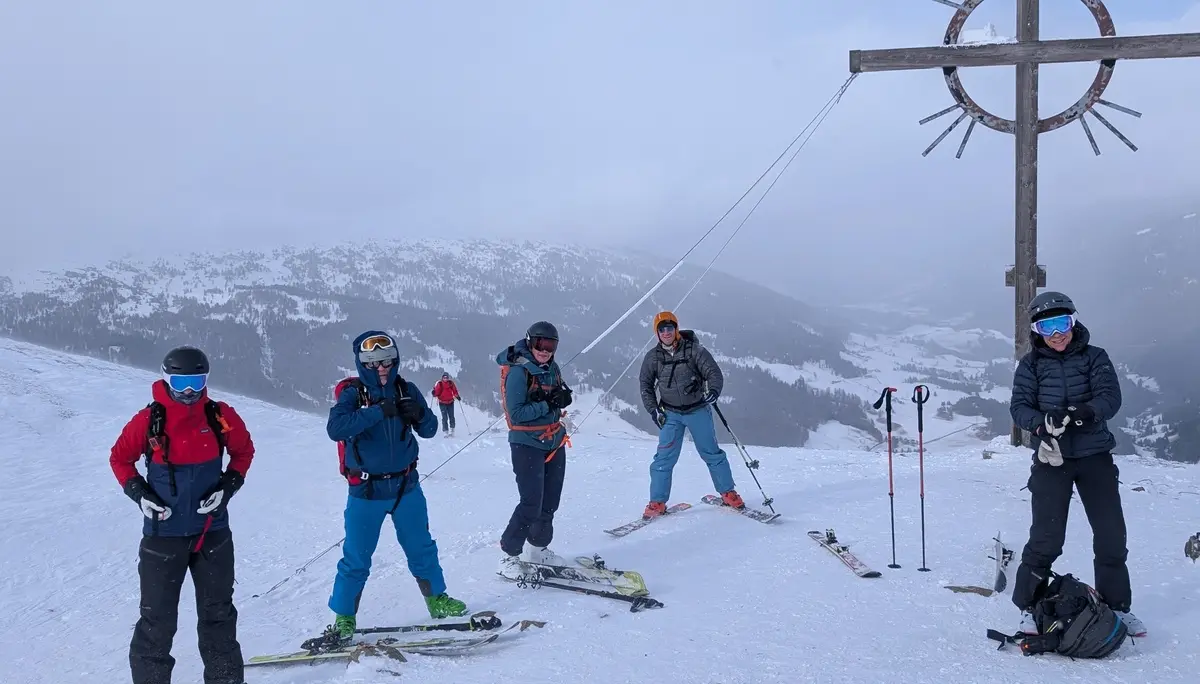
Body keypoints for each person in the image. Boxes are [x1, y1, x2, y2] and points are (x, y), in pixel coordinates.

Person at [109, 346, 254, 684]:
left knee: (218, 617)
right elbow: (120, 458)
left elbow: (243, 451)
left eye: (197, 381)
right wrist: (139, 494)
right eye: (180, 381)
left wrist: (228, 486)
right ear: (166, 378)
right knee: (156, 623)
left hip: (212, 533)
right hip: (163, 538)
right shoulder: (149, 420)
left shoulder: (219, 416)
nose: (189, 391)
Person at [1009, 291, 1145, 637]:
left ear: (1074, 321)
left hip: (1094, 456)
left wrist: (1083, 413)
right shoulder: (1030, 365)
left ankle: (1117, 607)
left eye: (1062, 323)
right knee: (1046, 537)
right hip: (1052, 458)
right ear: (1036, 331)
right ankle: (1029, 606)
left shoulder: (1095, 357)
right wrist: (1041, 424)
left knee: (1111, 535)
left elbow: (1110, 397)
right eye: (1047, 325)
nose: (1057, 333)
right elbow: (1020, 407)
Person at [325, 331, 467, 640]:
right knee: (357, 558)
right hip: (366, 491)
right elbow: (335, 428)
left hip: (406, 486)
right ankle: (344, 617)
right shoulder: (353, 394)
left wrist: (417, 414)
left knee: (422, 547)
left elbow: (429, 430)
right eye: (373, 362)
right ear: (362, 364)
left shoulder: (407, 389)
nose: (382, 368)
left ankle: (437, 600)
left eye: (387, 360)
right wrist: (378, 411)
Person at [638, 311, 742, 519]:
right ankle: (657, 502)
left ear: (676, 329)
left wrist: (713, 391)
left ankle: (728, 493)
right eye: (661, 329)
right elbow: (645, 385)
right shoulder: (653, 357)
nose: (666, 333)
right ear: (656, 333)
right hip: (670, 414)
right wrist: (653, 409)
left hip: (697, 409)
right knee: (663, 459)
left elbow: (713, 373)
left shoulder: (694, 350)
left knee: (711, 453)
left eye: (670, 328)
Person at [495, 321, 573, 577]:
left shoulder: (552, 368)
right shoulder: (519, 371)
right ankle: (509, 555)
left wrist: (561, 397)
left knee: (550, 501)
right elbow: (516, 414)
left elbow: (555, 396)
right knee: (531, 502)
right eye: (540, 344)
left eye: (551, 345)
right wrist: (548, 404)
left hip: (553, 441)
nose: (545, 350)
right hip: (526, 443)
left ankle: (538, 549)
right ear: (530, 342)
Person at [430, 372, 461, 436]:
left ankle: (452, 430)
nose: (445, 379)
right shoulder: (440, 384)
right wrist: (434, 393)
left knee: (451, 416)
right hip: (442, 403)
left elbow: (454, 390)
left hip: (450, 402)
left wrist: (457, 396)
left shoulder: (450, 383)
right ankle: (445, 431)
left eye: (446, 377)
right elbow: (437, 393)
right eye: (444, 377)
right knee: (444, 417)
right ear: (442, 378)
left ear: (448, 378)